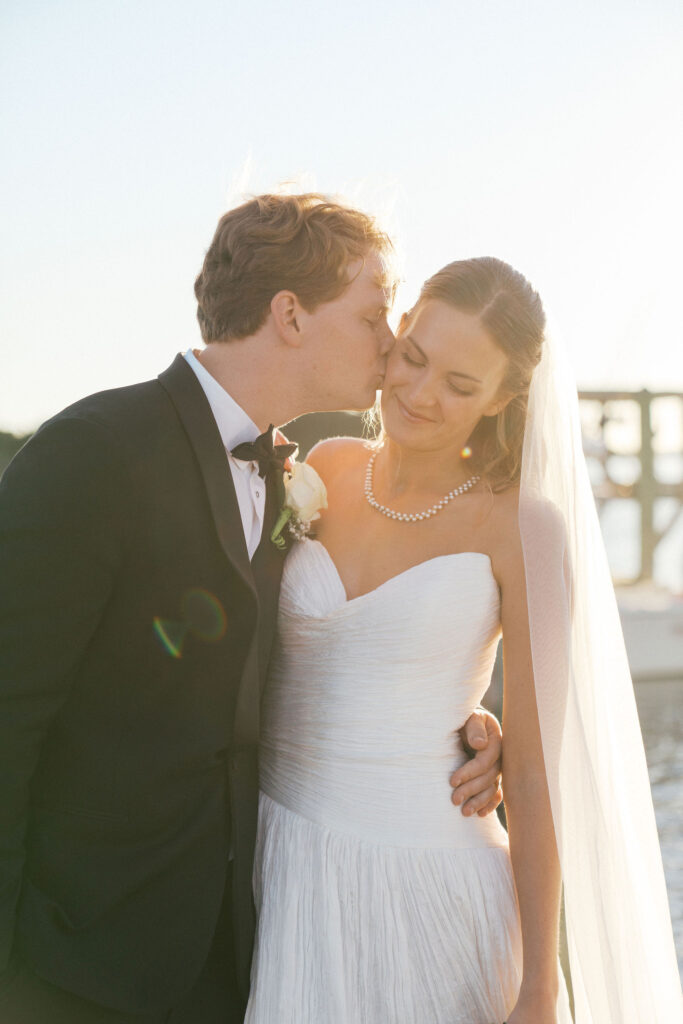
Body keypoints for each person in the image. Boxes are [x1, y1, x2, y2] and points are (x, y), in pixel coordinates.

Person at [0, 194, 503, 1023]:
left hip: (243, 942)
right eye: (372, 315)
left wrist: (462, 727)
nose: (390, 344)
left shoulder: (286, 474)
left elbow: (295, 658)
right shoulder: (94, 450)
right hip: (74, 958)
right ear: (290, 315)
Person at [245, 257, 682, 1022]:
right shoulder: (325, 468)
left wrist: (539, 985)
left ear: (503, 398)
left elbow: (537, 770)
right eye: (413, 357)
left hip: (429, 889)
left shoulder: (521, 525)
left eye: (459, 384)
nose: (419, 394)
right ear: (397, 331)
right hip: (278, 854)